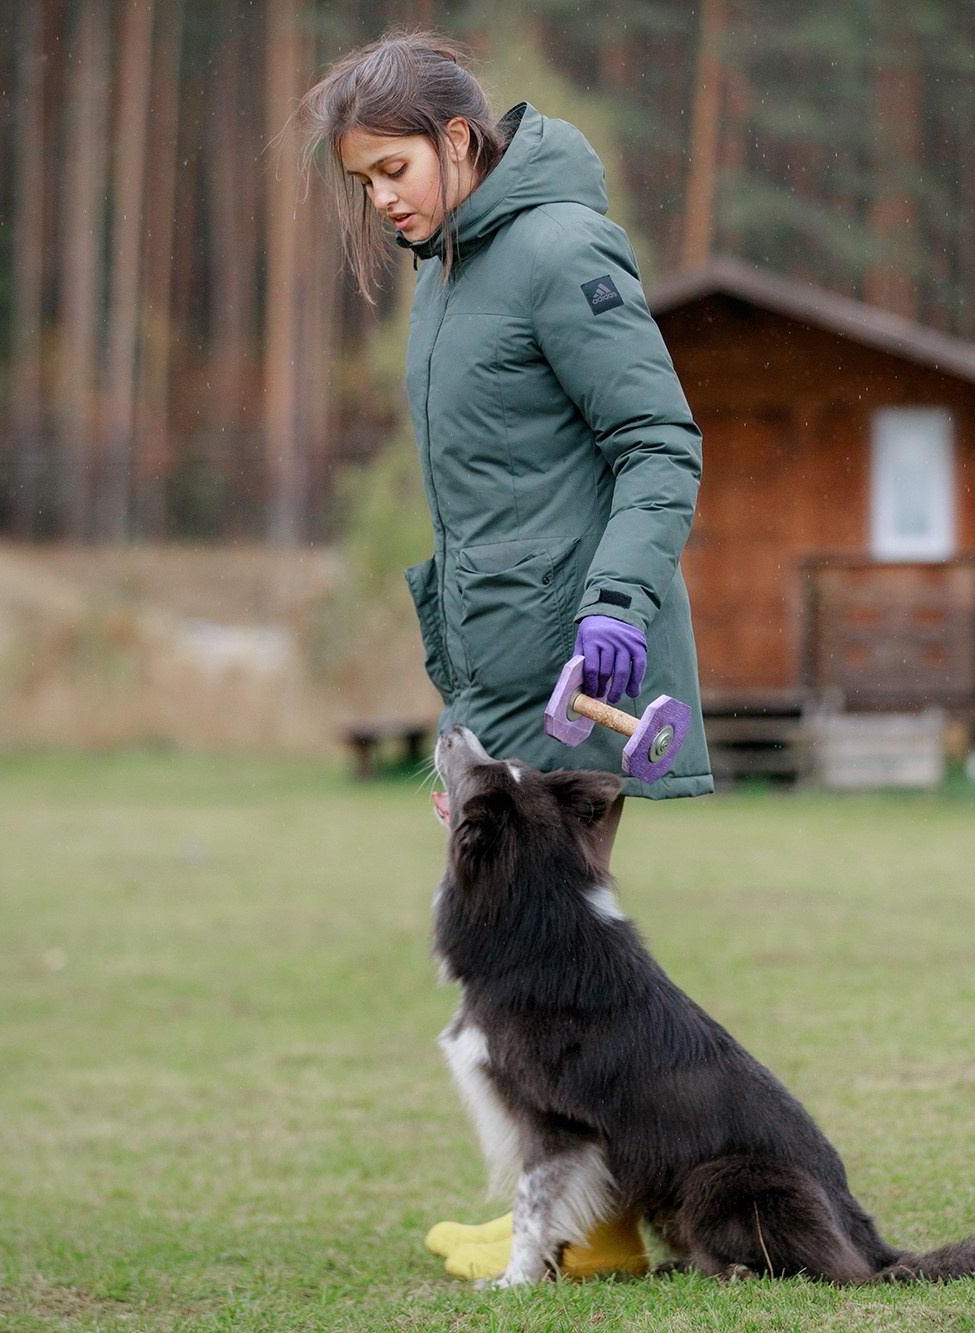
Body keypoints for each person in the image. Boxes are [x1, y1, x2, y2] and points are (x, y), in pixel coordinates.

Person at [300, 32, 713, 1280]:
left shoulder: (557, 252)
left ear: (460, 140)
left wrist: (618, 611)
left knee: (552, 985)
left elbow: (658, 444)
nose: (381, 200)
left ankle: (595, 1229)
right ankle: (584, 1213)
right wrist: (460, 720)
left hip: (586, 672)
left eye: (392, 170)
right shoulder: (450, 273)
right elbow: (489, 511)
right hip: (495, 676)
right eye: (363, 181)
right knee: (519, 986)